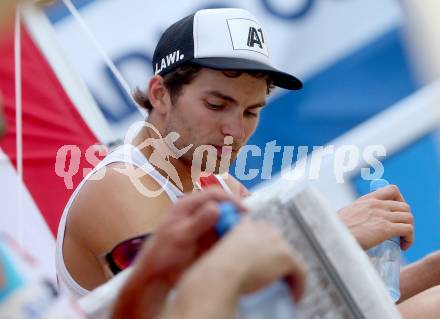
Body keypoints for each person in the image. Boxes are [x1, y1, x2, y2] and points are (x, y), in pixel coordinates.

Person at [55, 7, 440, 318]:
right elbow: (193, 307)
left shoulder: (219, 185)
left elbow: (296, 305)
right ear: (159, 93)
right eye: (217, 105)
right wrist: (333, 235)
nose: (235, 130)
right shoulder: (122, 183)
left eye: (251, 111)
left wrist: (429, 271)